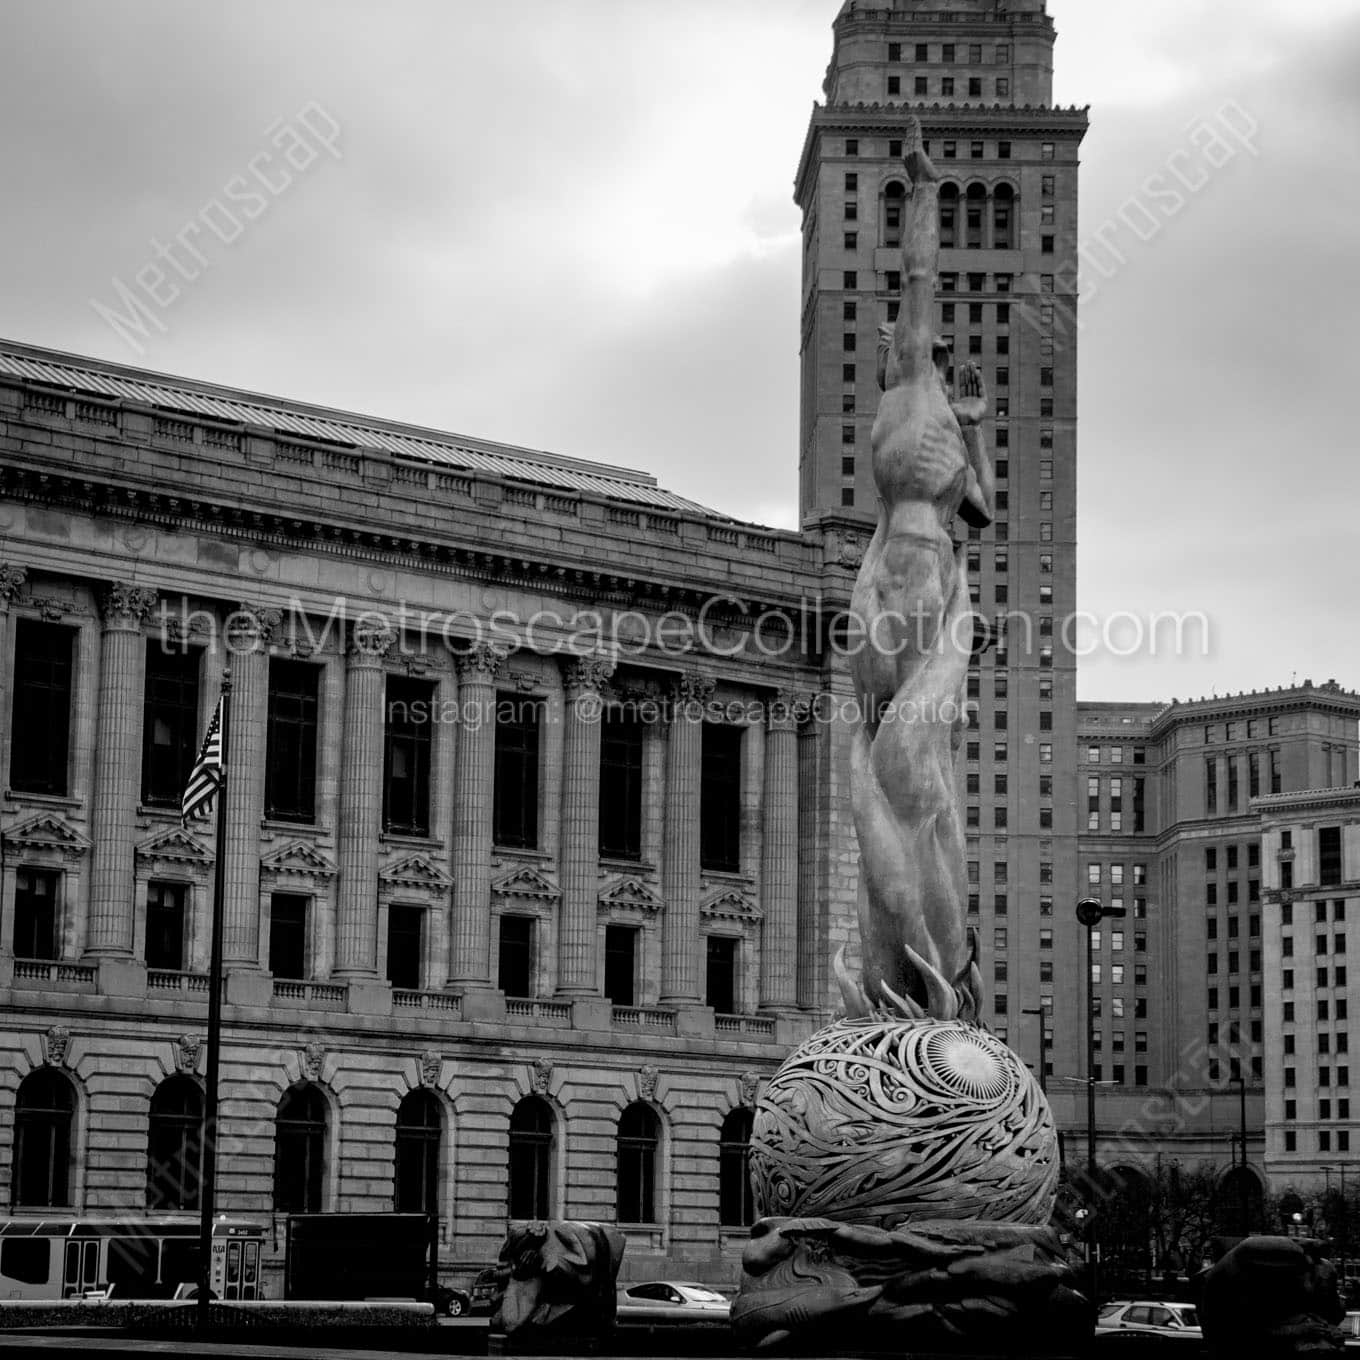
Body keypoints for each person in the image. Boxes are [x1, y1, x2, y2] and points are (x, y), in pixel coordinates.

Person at [842, 115, 994, 1021]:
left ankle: (932, 984)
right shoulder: (904, 388)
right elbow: (920, 276)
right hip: (889, 568)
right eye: (908, 334)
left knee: (919, 775)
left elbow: (984, 509)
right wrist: (925, 187)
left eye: (917, 337)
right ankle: (902, 985)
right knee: (887, 760)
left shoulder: (941, 410)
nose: (909, 335)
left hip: (932, 575)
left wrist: (975, 424)